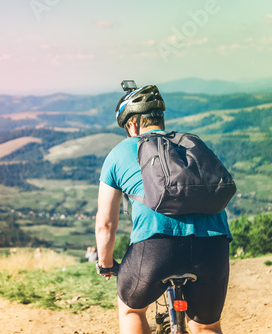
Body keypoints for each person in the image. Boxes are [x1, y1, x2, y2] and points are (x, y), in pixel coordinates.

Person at [95, 82, 232, 334]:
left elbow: (106, 225)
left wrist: (105, 263)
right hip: (213, 246)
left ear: (132, 124)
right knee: (207, 326)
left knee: (131, 310)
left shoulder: (120, 151)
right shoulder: (191, 144)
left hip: (156, 249)